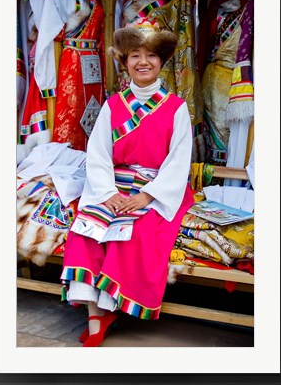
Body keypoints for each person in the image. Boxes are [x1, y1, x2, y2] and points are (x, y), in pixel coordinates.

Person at [60, 20, 194, 347]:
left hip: (156, 187)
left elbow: (178, 163)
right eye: (135, 55)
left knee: (134, 231)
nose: (143, 62)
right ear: (126, 61)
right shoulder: (112, 105)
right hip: (113, 186)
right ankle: (95, 315)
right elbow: (99, 154)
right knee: (87, 229)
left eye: (151, 55)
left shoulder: (176, 109)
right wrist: (106, 194)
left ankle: (110, 307)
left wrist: (148, 197)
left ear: (162, 61)